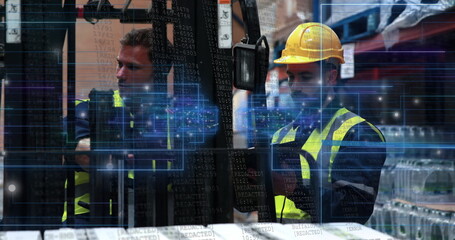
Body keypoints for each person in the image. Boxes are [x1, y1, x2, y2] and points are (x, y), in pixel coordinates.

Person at [271, 22, 386, 224]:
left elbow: (352, 211)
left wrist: (293, 189)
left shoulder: (358, 135)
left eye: (306, 77)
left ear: (330, 77)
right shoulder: (281, 135)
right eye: (291, 77)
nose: (295, 87)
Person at [62, 28, 172, 223]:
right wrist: (107, 154)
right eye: (119, 64)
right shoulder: (89, 109)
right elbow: (82, 149)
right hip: (89, 218)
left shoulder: (175, 119)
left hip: (152, 220)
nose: (120, 74)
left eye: (133, 67)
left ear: (159, 73)